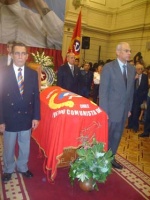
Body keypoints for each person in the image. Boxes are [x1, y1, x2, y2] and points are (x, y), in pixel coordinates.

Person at [0, 42, 40, 182]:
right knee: (9, 147)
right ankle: (8, 169)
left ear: (27, 56)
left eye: (23, 53)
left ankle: (23, 167)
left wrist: (36, 117)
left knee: (25, 145)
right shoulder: (3, 72)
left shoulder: (32, 74)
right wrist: (1, 120)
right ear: (11, 54)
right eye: (17, 53)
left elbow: (36, 96)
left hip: (26, 116)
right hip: (9, 117)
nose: (20, 56)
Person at [99, 42, 135, 169]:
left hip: (124, 110)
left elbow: (130, 91)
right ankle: (101, 159)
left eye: (129, 51)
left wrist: (129, 108)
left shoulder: (132, 69)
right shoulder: (109, 68)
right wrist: (104, 111)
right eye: (126, 50)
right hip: (110, 110)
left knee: (117, 136)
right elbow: (103, 92)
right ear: (118, 52)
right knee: (106, 136)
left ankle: (111, 157)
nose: (129, 53)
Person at [126, 63, 148, 132]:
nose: (140, 70)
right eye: (138, 69)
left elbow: (146, 88)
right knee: (130, 111)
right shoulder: (132, 76)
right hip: (131, 97)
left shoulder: (145, 76)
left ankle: (135, 126)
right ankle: (130, 125)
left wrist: (144, 99)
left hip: (139, 98)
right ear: (135, 69)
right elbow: (129, 85)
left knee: (136, 112)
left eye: (141, 69)